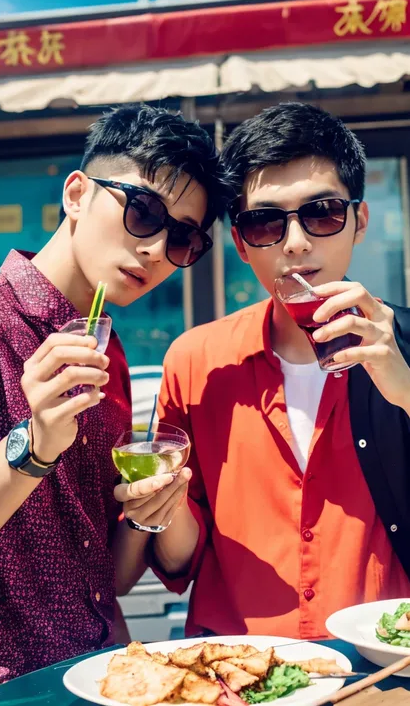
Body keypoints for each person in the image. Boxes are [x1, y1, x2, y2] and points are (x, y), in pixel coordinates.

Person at [0, 104, 231, 703]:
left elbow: (102, 577)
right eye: (142, 212)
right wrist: (34, 447)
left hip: (98, 676)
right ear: (77, 194)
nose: (155, 250)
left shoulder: (107, 355)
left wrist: (150, 513)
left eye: (183, 238)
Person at [115, 102, 410, 641]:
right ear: (241, 244)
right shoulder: (196, 360)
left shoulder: (404, 342)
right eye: (266, 221)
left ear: (359, 221)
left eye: (322, 212)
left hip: (381, 667)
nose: (295, 242)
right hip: (232, 667)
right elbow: (181, 556)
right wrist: (162, 505)